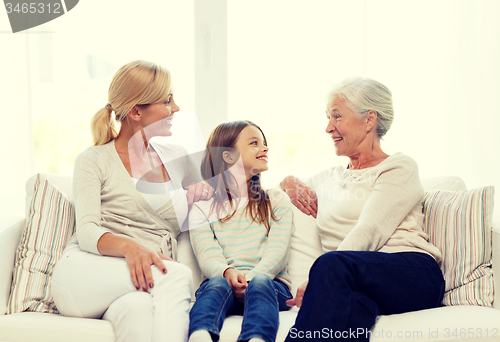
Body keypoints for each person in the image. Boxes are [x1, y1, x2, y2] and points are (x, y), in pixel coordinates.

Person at [51, 60, 213, 342]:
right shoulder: (94, 160)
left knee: (138, 310)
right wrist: (131, 248)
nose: (175, 108)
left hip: (139, 283)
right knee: (176, 275)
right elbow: (87, 230)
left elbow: (222, 204)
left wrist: (204, 194)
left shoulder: (178, 158)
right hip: (84, 273)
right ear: (136, 111)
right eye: (167, 100)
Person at [280, 78, 445, 341]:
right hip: (353, 280)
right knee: (353, 308)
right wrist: (287, 182)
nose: (328, 128)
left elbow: (370, 229)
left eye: (337, 116)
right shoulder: (327, 179)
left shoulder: (398, 167)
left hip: (413, 274)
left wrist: (321, 278)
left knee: (332, 264)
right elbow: (267, 198)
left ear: (369, 120)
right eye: (328, 117)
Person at [188, 121, 294, 342]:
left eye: (264, 143)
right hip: (222, 281)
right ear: (228, 156)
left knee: (261, 283)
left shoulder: (276, 200)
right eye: (254, 143)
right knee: (215, 283)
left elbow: (278, 251)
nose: (265, 149)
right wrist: (227, 272)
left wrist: (252, 277)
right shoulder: (202, 206)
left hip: (270, 284)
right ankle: (200, 336)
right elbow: (207, 252)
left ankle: (256, 338)